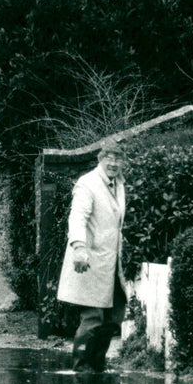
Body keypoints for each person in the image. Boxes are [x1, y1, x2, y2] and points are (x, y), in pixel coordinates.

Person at [57, 141, 128, 372]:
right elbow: (78, 217)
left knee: (113, 318)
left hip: (111, 263)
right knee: (93, 317)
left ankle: (97, 367)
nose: (113, 163)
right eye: (109, 157)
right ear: (100, 159)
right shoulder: (87, 183)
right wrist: (79, 247)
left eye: (118, 158)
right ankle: (81, 367)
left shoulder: (119, 184)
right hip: (90, 260)